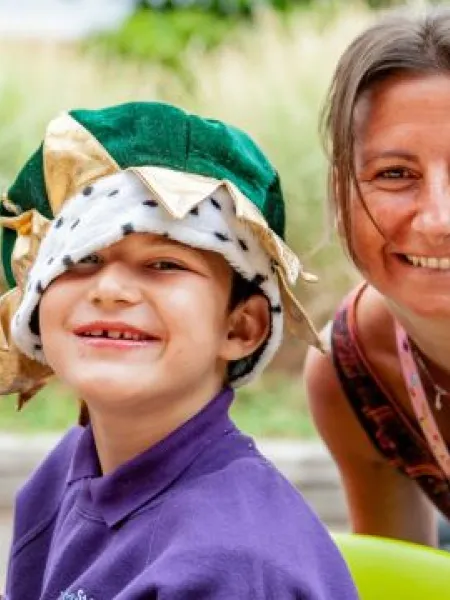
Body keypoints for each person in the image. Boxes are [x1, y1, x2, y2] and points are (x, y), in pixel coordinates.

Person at [0, 102, 357, 599]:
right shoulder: (60, 476)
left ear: (241, 327)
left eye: (164, 264)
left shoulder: (232, 565)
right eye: (81, 259)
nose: (110, 289)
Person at [305, 5, 450, 549]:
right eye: (395, 174)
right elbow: (402, 578)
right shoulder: (353, 368)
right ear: (342, 192)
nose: (438, 219)